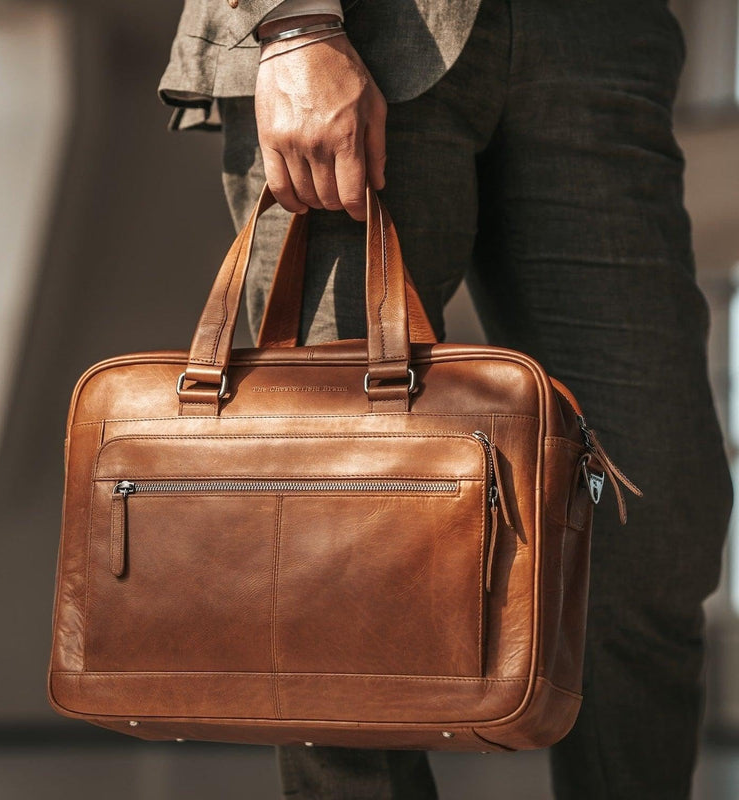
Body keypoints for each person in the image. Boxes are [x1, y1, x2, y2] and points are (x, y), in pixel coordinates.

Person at [158, 1, 734, 797]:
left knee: (652, 520)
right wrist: (291, 22)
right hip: (357, 26)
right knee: (341, 550)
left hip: (598, 37)